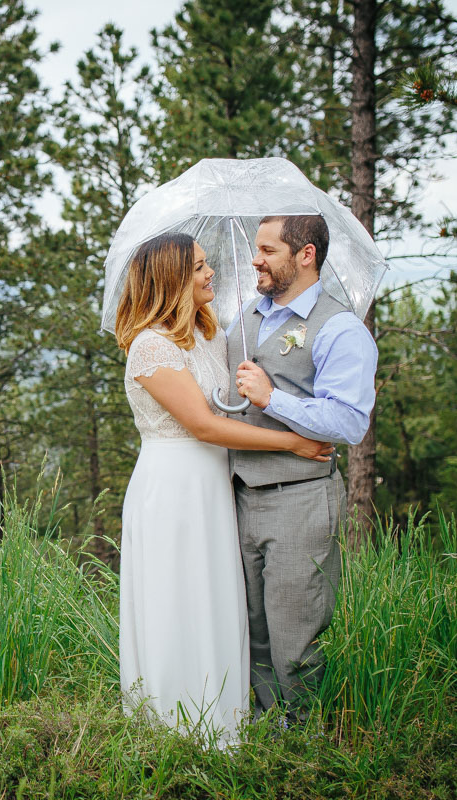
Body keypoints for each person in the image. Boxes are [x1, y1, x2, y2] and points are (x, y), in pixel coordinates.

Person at [116, 231, 334, 746]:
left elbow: (229, 405)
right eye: (196, 268)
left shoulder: (208, 335)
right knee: (179, 599)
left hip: (214, 485)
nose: (209, 272)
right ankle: (176, 724)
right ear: (170, 279)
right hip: (174, 489)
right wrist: (294, 444)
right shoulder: (150, 347)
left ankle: (225, 716)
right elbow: (205, 427)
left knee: (218, 597)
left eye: (207, 263)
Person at [228, 214, 378, 724]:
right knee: (251, 627)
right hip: (236, 494)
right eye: (256, 249)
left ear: (305, 254)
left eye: (269, 250)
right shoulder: (246, 317)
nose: (256, 259)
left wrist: (273, 399)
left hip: (300, 497)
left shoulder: (340, 328)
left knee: (295, 630)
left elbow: (349, 420)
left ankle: (306, 744)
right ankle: (268, 732)